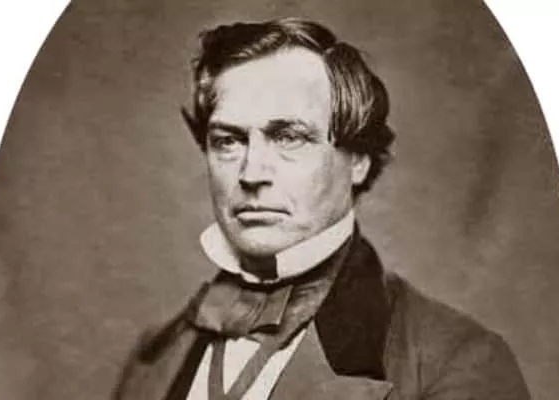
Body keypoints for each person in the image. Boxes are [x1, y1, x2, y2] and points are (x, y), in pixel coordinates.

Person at [112, 18, 530, 400]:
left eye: (288, 137)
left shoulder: (456, 363)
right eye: (228, 141)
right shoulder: (153, 360)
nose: (252, 172)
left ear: (358, 159)